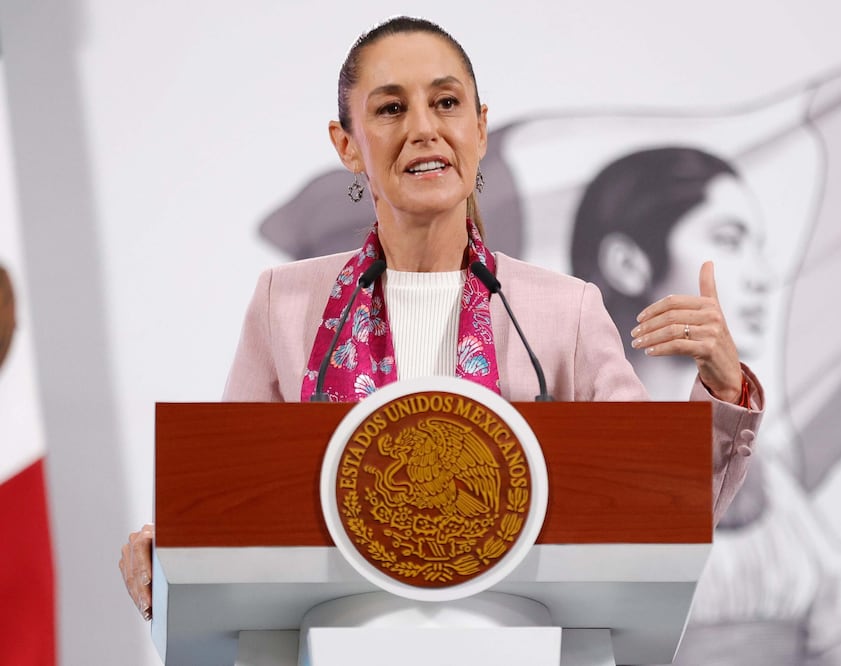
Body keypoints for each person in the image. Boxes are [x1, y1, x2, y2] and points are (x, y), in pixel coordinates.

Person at [119, 17, 764, 624]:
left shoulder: (563, 311)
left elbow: (656, 514)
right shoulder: (283, 303)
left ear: (480, 129)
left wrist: (724, 387)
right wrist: (169, 553)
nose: (424, 128)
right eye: (391, 108)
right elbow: (234, 502)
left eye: (447, 103)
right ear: (347, 145)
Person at [571, 146, 841, 665]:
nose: (761, 275)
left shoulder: (770, 486)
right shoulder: (564, 464)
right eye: (729, 240)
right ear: (628, 263)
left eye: (759, 247)